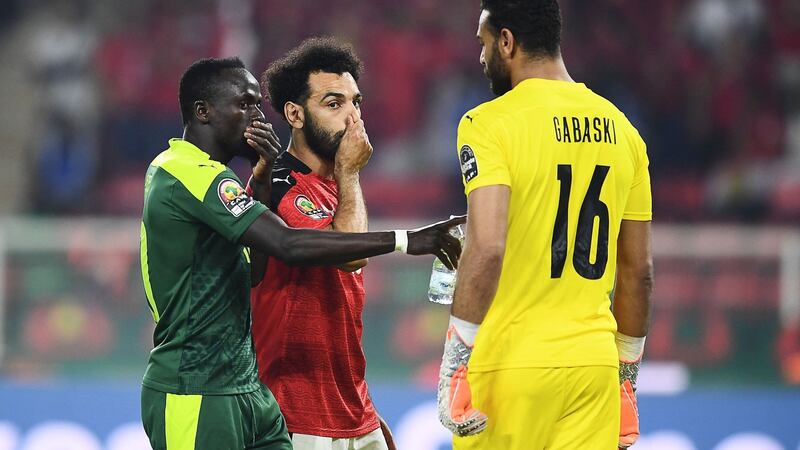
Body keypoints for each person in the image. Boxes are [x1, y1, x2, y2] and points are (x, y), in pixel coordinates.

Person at [139, 56, 463, 450]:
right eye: (244, 105)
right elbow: (290, 244)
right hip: (196, 385)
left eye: (356, 103)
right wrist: (409, 239)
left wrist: (357, 411)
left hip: (252, 393)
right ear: (203, 111)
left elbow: (255, 272)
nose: (257, 118)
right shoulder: (185, 171)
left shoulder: (233, 181)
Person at [435, 1, 654, 449]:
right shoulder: (624, 130)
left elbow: (488, 247)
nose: (480, 57)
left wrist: (456, 361)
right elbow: (638, 273)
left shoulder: (487, 124)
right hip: (593, 370)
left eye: (483, 43)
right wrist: (625, 377)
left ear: (506, 42)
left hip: (510, 368)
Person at [249, 37, 395, 450]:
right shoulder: (275, 186)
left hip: (353, 409)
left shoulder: (337, 189)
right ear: (295, 114)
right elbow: (352, 254)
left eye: (356, 102)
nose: (353, 118)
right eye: (334, 104)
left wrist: (363, 408)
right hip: (296, 413)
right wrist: (350, 173)